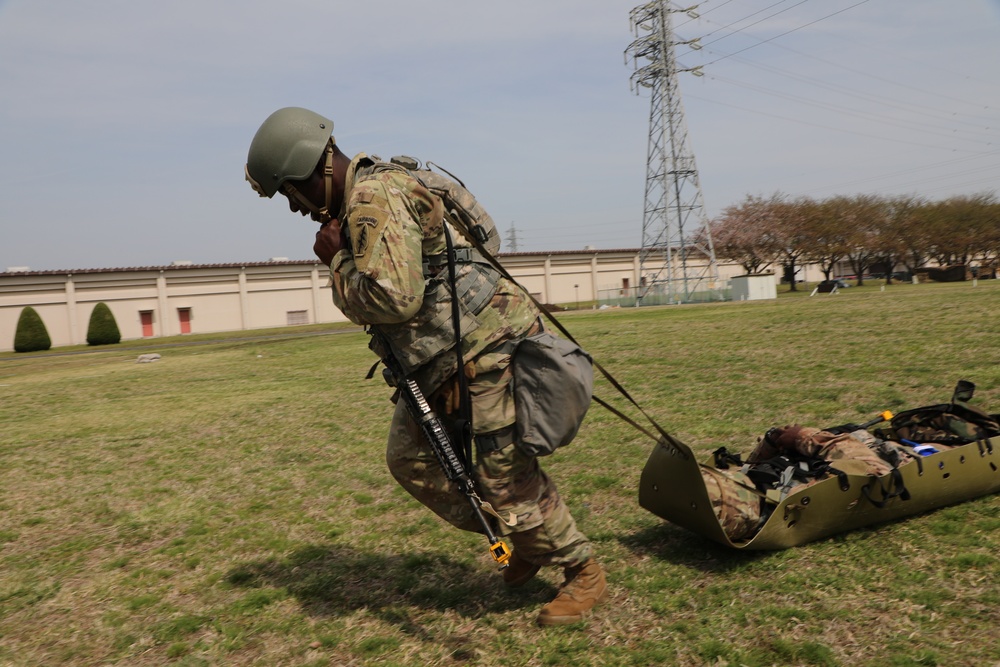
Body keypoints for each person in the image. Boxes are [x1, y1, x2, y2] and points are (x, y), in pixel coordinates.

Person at [244, 107, 607, 626]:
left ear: (309, 172)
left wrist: (338, 263)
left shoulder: (372, 198)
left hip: (486, 349)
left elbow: (393, 302)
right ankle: (526, 539)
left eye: (288, 193)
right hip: (445, 355)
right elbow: (486, 236)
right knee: (411, 458)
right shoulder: (393, 177)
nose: (295, 208)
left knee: (504, 477)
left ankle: (581, 570)